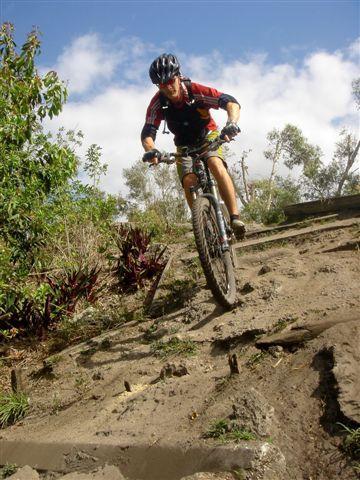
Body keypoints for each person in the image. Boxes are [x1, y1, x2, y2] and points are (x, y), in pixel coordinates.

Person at [141, 53, 246, 239]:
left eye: (170, 81)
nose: (168, 87)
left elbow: (230, 102)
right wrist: (151, 151)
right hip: (183, 145)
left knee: (215, 163)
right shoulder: (158, 103)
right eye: (161, 84)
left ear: (178, 76)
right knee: (189, 181)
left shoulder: (195, 91)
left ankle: (235, 217)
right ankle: (202, 224)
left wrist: (232, 123)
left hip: (208, 135)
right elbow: (148, 132)